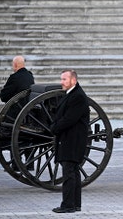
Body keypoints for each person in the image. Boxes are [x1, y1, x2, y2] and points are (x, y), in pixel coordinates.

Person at [50, 70, 90, 213]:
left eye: (64, 79)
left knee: (69, 174)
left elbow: (69, 119)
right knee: (73, 172)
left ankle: (68, 205)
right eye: (62, 79)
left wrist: (54, 128)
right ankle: (75, 204)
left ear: (73, 80)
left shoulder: (77, 96)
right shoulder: (73, 94)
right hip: (70, 139)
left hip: (72, 140)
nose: (62, 82)